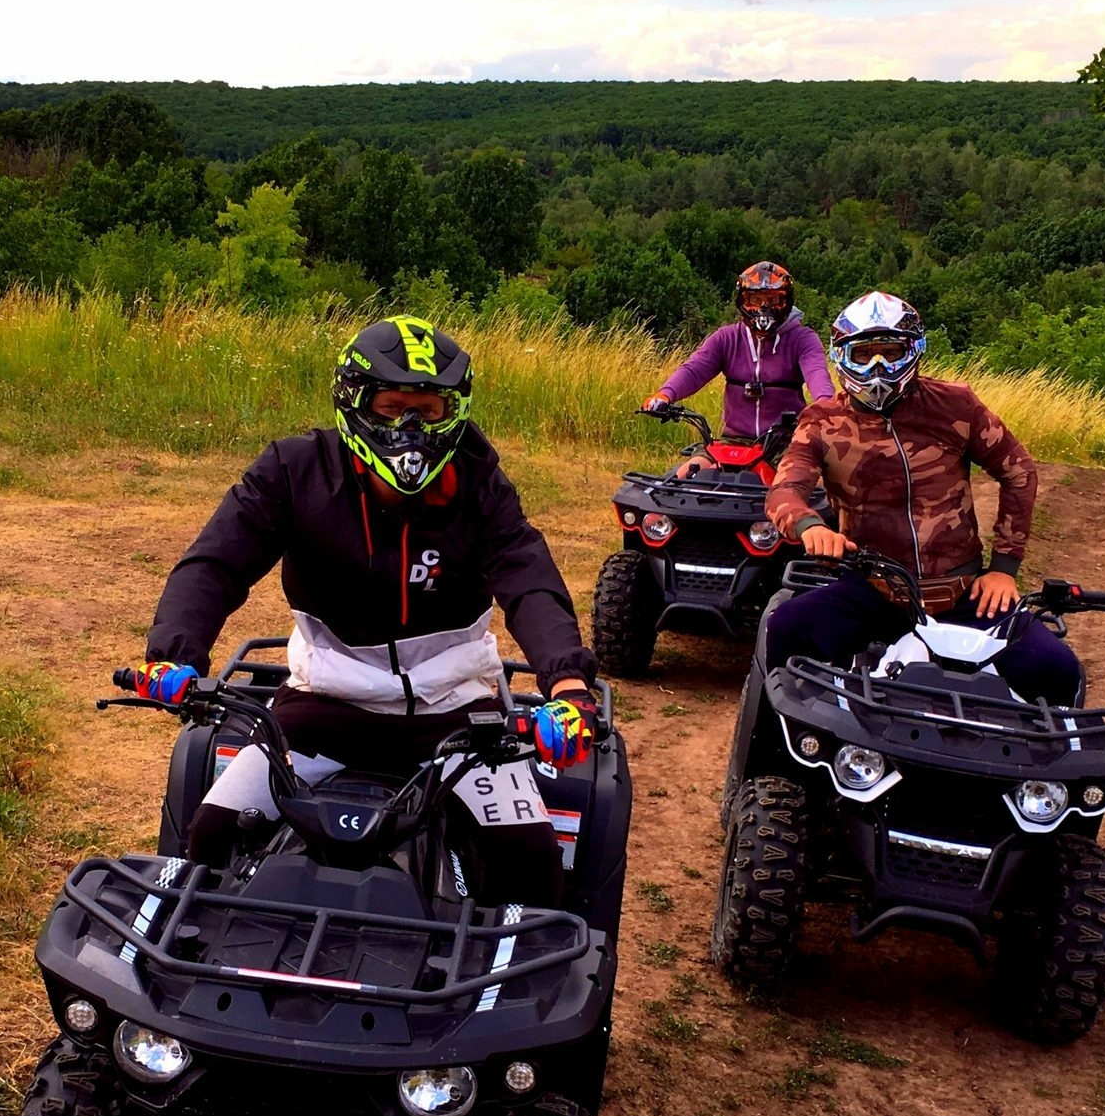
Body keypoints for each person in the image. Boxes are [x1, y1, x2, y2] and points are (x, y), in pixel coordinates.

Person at [133, 315, 598, 907]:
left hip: (455, 713)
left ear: (454, 414)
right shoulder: (293, 470)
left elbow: (529, 579)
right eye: (391, 407)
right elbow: (216, 563)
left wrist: (569, 682)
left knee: (530, 862)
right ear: (355, 403)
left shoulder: (481, 484)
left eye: (428, 412)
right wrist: (175, 655)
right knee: (214, 834)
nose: (409, 428)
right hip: (325, 706)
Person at [763, 291, 1081, 705]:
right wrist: (810, 526)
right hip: (872, 587)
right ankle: (786, 758)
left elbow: (1018, 471)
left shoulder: (956, 405)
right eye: (864, 354)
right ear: (842, 356)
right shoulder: (822, 421)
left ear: (912, 351)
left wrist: (1004, 568)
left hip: (962, 589)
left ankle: (1042, 769)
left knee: (1056, 668)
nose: (877, 366)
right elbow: (785, 489)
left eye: (889, 352)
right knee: (786, 628)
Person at [642, 262, 836, 449]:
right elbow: (694, 370)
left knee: (793, 481)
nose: (763, 308)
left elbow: (817, 373)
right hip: (733, 442)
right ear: (742, 301)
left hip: (785, 444)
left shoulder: (802, 338)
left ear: (786, 302)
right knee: (688, 475)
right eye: (754, 300)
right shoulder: (726, 338)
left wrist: (826, 404)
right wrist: (665, 395)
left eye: (773, 299)